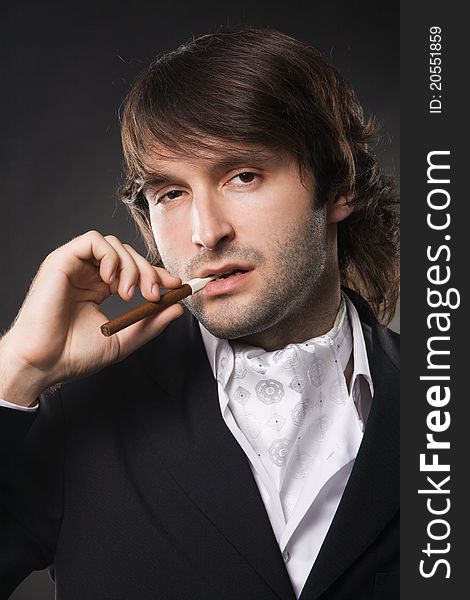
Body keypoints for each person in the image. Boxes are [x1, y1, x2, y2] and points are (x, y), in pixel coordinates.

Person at [0, 26, 399, 599]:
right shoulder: (78, 416)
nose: (205, 233)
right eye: (170, 193)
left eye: (243, 176)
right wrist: (16, 369)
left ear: (341, 187)